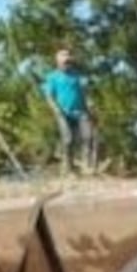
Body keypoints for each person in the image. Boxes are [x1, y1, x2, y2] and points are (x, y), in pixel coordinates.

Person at [43, 48, 94, 176]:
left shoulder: (77, 76)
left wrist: (90, 108)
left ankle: (86, 166)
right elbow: (49, 96)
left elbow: (84, 93)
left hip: (81, 111)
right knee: (68, 140)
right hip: (63, 113)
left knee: (88, 137)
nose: (67, 63)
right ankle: (69, 168)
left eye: (68, 61)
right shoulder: (52, 77)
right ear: (58, 62)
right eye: (64, 61)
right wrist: (56, 110)